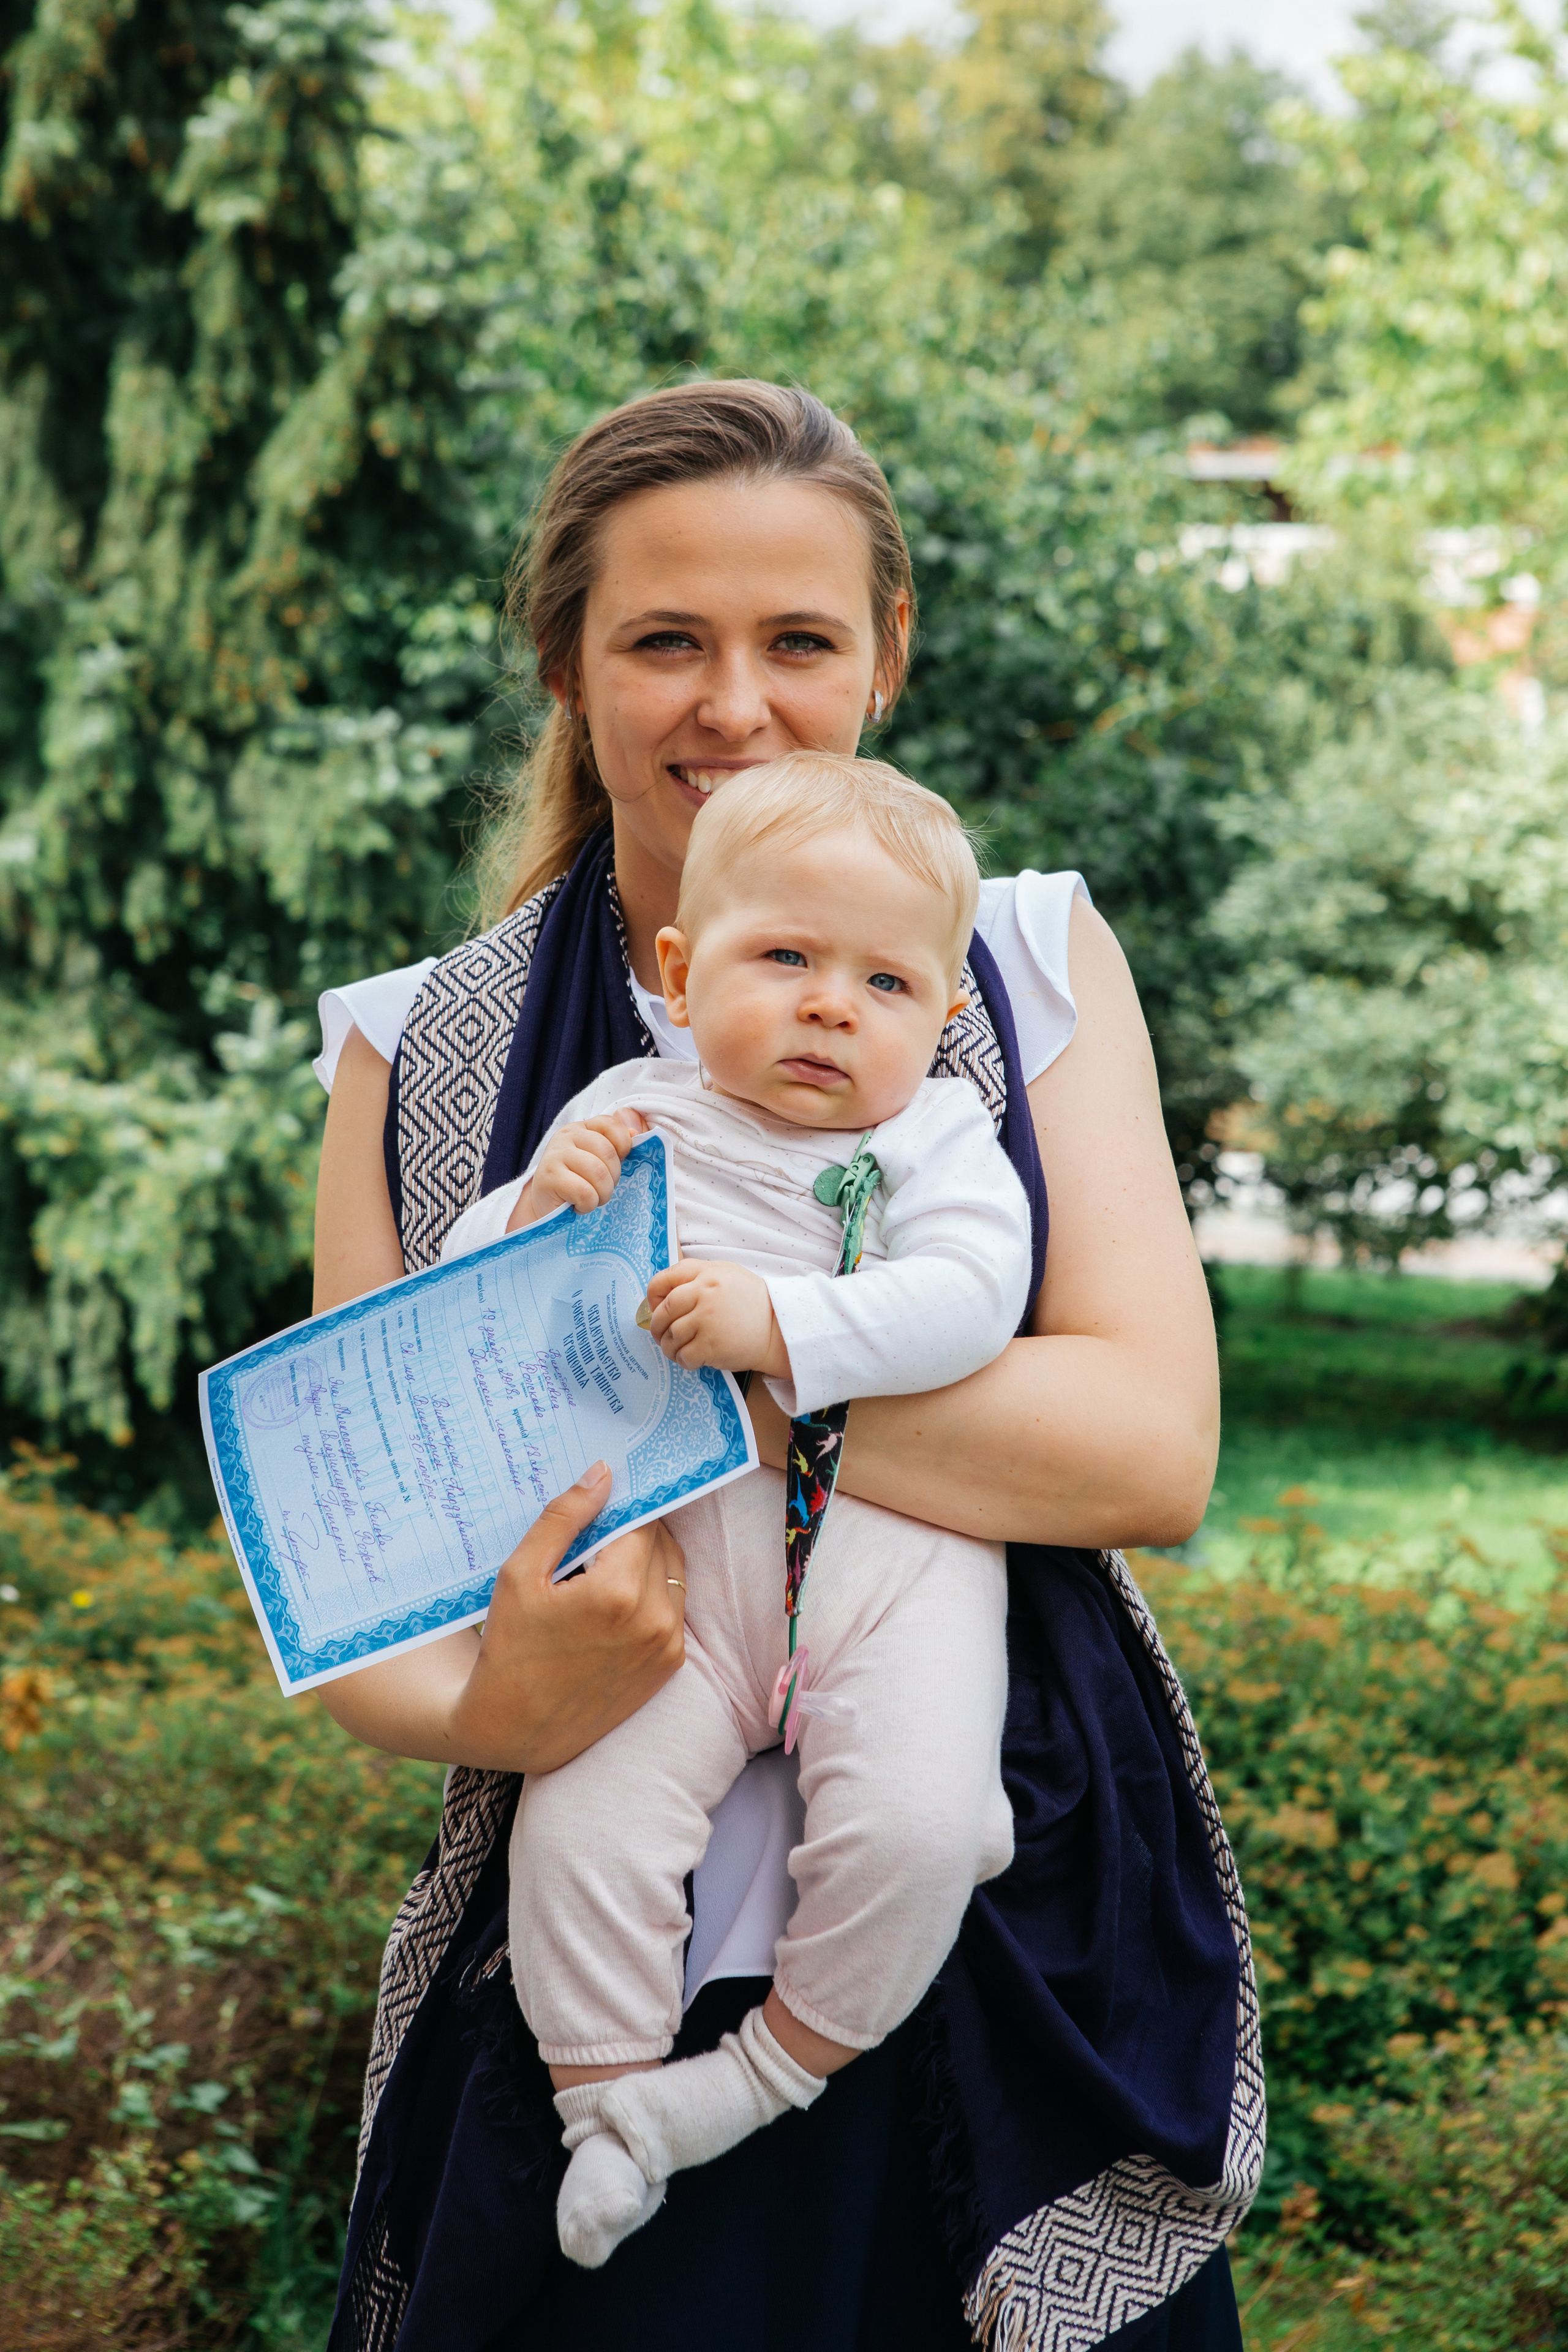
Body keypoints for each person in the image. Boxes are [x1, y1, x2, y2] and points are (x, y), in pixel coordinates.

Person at [313, 379, 1263, 2352]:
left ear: (885, 661)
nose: (732, 704)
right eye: (665, 639)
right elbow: (370, 1581)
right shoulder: (428, 1056)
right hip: (607, 1947)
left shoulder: (1023, 966)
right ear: (568, 664)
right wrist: (503, 1695)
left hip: (1002, 1934)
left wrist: (709, 1370)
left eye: (799, 642)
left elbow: (1144, 1448)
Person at [440, 750, 1033, 2269]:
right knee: (579, 1831)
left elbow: (975, 1299)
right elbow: (475, 1305)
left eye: (888, 984)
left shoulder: (931, 1145)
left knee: (913, 1831)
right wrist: (529, 1207)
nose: (835, 1004)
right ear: (681, 975)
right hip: (682, 1594)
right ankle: (604, 2107)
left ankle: (750, 2083)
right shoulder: (630, 1110)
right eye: (786, 959)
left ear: (946, 1019)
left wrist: (781, 1322)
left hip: (890, 1584)